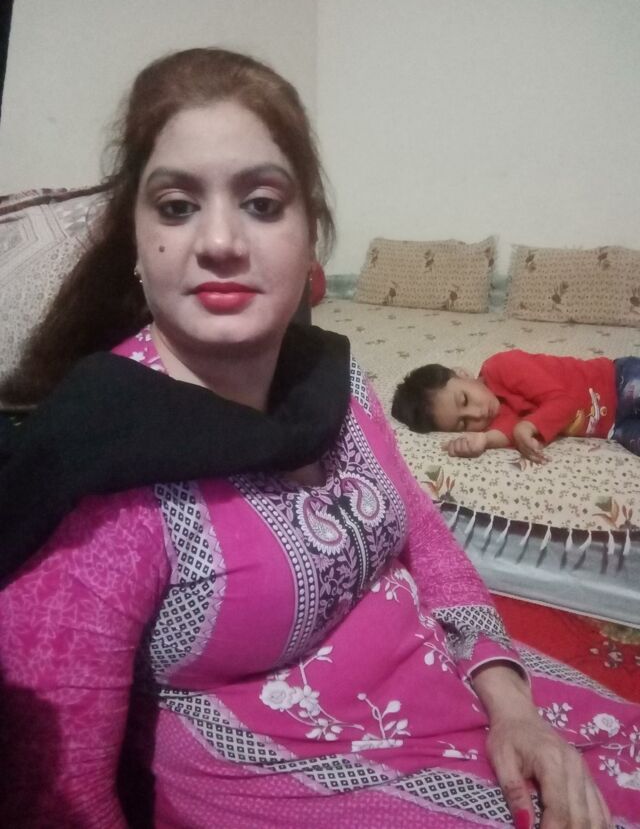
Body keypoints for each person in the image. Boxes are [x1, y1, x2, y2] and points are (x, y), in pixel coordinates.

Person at [0, 48, 638, 829]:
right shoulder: (97, 462)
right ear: (132, 240)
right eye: (176, 205)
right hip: (296, 782)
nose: (221, 240)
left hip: (464, 693)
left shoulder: (332, 378)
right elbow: (57, 798)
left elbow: (424, 532)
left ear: (312, 239)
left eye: (262, 202)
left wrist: (514, 708)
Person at [392, 350, 640, 464]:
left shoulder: (502, 366)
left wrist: (527, 426)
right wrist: (482, 440)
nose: (478, 414)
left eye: (465, 400)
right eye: (463, 423)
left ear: (462, 374)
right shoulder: (494, 420)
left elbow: (564, 402)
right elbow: (507, 432)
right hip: (614, 428)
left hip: (618, 381)